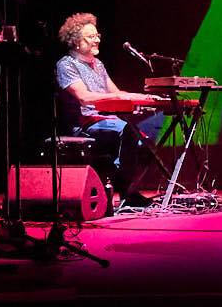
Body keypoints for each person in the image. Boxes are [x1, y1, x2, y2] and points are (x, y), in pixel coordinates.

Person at [54, 13, 165, 203]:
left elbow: (117, 92)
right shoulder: (66, 65)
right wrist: (118, 97)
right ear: (76, 41)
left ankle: (124, 186)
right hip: (84, 125)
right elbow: (84, 97)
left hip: (107, 122)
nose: (97, 40)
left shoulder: (98, 64)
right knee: (128, 131)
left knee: (146, 137)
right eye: (91, 37)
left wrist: (145, 97)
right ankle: (126, 191)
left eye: (97, 35)